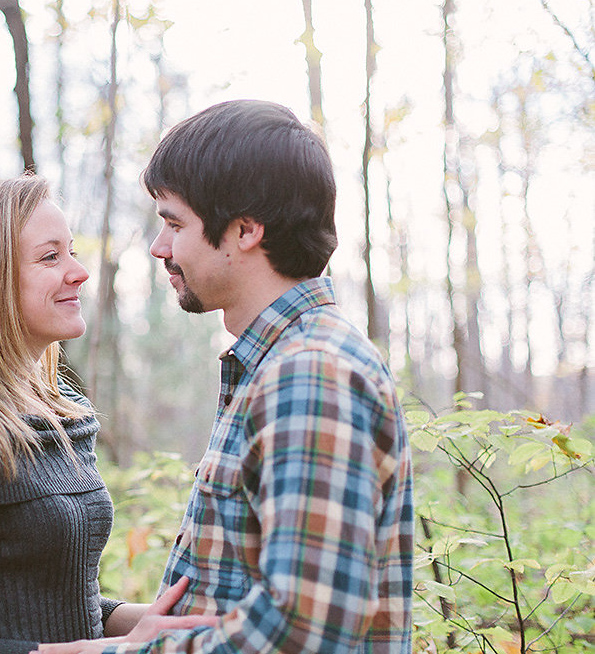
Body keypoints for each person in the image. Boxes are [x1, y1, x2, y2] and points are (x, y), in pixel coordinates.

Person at [37, 100, 414, 654]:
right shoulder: (276, 365)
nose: (159, 246)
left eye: (174, 223)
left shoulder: (309, 374)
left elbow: (303, 631)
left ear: (244, 230)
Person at [0, 177, 215, 654]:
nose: (79, 272)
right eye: (50, 257)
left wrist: (172, 620)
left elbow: (69, 607)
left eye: (71, 252)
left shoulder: (61, 420)